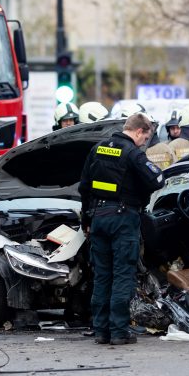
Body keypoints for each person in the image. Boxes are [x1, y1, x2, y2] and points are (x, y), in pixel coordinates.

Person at [79, 112, 165, 345]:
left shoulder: (97, 149)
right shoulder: (132, 153)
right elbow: (157, 181)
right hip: (123, 219)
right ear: (139, 131)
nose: (144, 143)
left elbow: (84, 187)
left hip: (97, 218)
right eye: (145, 138)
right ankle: (118, 332)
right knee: (123, 275)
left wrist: (85, 220)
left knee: (102, 276)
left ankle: (101, 331)